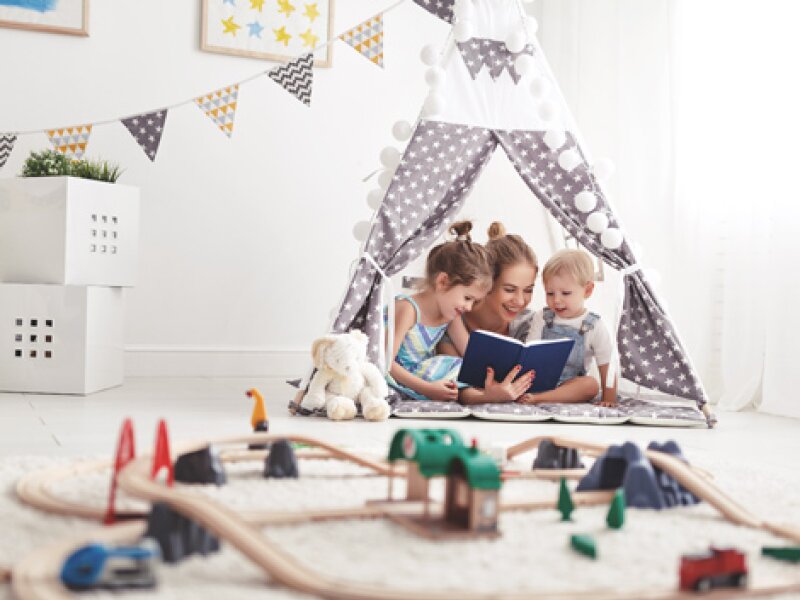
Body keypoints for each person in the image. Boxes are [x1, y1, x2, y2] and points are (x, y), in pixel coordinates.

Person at [386, 221, 493, 402]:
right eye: (467, 298)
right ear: (443, 281)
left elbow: (470, 353)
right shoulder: (408, 309)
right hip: (400, 378)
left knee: (461, 366)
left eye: (474, 301)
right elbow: (386, 362)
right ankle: (483, 397)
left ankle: (488, 394)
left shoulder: (450, 315)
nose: (469, 307)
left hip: (426, 374)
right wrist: (427, 389)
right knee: (451, 366)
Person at [439, 222, 539, 404]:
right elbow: (455, 388)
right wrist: (488, 397)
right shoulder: (453, 321)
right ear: (488, 284)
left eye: (528, 290)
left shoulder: (531, 324)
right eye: (509, 289)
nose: (520, 301)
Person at [518, 248, 618, 407]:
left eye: (565, 293)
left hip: (570, 386)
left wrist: (609, 399)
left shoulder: (594, 325)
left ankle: (543, 398)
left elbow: (607, 364)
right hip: (538, 380)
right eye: (550, 293)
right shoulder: (542, 317)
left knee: (591, 385)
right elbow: (529, 352)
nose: (556, 300)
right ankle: (538, 394)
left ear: (588, 290)